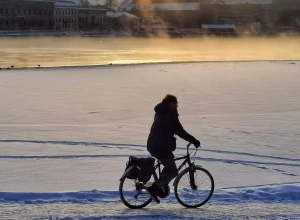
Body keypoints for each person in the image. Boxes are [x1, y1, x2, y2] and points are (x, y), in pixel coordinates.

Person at [146, 94, 201, 203]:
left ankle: (160, 187)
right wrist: (194, 140)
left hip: (154, 144)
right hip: (160, 147)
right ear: (171, 103)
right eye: (176, 104)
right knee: (173, 171)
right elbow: (180, 131)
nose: (177, 106)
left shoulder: (161, 111)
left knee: (168, 165)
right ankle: (154, 187)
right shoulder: (169, 115)